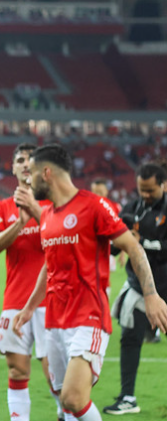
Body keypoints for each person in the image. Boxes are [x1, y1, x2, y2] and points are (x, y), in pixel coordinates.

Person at [12, 144, 167, 421]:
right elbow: (49, 266)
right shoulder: (47, 216)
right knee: (65, 403)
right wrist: (28, 308)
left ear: (46, 173)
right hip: (55, 321)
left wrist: (151, 295)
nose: (28, 178)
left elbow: (133, 248)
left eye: (32, 172)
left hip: (88, 317)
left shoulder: (94, 206)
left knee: (74, 397)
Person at [0, 143, 62, 421]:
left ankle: (62, 411)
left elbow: (61, 238)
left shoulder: (53, 204)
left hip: (50, 299)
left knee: (53, 371)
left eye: (30, 160)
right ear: (13, 167)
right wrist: (19, 223)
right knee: (17, 371)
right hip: (15, 300)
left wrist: (33, 209)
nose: (24, 164)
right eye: (19, 159)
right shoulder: (3, 207)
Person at [103, 163, 167, 415]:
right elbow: (115, 249)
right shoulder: (131, 208)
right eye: (142, 189)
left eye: (150, 190)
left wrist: (143, 244)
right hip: (138, 287)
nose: (146, 194)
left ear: (163, 184)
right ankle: (127, 397)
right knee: (129, 338)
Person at [90, 178, 123, 273]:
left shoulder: (115, 207)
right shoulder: (87, 208)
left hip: (110, 249)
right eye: (95, 191)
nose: (97, 194)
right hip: (92, 249)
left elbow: (122, 230)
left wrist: (121, 252)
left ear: (106, 191)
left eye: (100, 191)